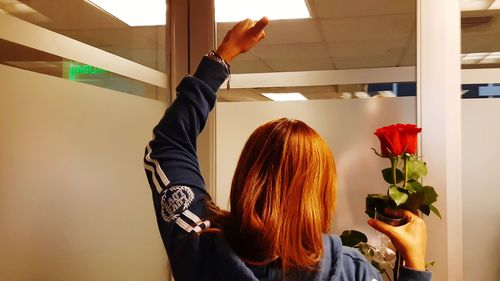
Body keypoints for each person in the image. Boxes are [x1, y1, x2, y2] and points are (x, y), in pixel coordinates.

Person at [144, 17, 432, 281]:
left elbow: (169, 144)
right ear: (320, 192)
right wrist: (414, 263)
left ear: (247, 178)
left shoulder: (199, 243)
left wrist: (222, 58)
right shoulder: (349, 271)